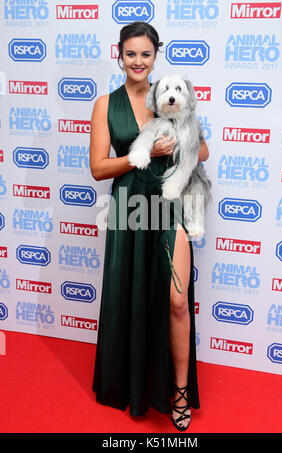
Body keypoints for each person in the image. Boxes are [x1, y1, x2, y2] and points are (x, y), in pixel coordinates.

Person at [90, 21, 209, 431]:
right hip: (129, 205)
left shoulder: (172, 93)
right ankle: (131, 385)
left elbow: (203, 149)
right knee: (131, 294)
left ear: (156, 54)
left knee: (177, 300)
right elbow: (98, 168)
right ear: (118, 54)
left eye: (146, 53)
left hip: (171, 201)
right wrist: (142, 154)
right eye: (130, 54)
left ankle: (178, 392)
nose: (138, 61)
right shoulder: (106, 104)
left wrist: (180, 145)